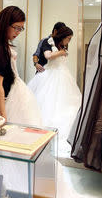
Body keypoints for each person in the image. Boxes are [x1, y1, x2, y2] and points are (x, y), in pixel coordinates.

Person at [28, 26, 81, 158]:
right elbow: (44, 55)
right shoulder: (47, 42)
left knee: (64, 105)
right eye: (68, 38)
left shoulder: (61, 46)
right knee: (49, 104)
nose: (69, 41)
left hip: (63, 76)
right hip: (51, 76)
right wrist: (37, 63)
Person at [0, 6, 40, 125]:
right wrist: (3, 118)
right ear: (5, 23)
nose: (18, 32)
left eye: (21, 29)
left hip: (1, 98)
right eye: (16, 28)